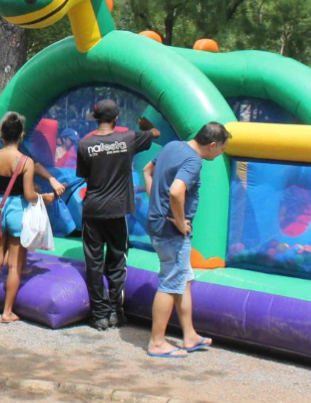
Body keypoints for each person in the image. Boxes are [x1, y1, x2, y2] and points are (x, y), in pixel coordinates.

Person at [142, 122, 230, 358]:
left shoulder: (173, 145)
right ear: (212, 145)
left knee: (184, 279)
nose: (221, 153)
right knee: (170, 282)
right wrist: (180, 222)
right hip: (171, 232)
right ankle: (157, 342)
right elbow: (175, 191)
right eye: (221, 149)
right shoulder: (193, 161)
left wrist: (155, 204)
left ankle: (189, 335)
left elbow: (146, 171)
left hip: (158, 225)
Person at [75, 99, 160, 330]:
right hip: (117, 211)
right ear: (116, 119)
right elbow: (156, 132)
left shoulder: (84, 144)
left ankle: (100, 315)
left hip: (93, 209)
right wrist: (145, 125)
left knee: (93, 263)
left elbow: (84, 175)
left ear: (96, 118)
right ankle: (115, 312)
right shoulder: (128, 138)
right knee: (117, 261)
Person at [0, 112, 52, 323]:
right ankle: (7, 312)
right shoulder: (26, 161)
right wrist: (43, 197)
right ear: (21, 135)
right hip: (18, 210)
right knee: (14, 264)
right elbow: (29, 195)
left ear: (1, 134)